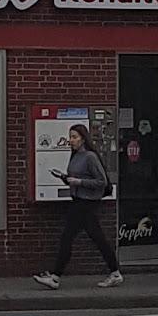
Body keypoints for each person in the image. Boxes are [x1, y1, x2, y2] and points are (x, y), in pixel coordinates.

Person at [34, 123, 123, 289]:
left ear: (83, 139)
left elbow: (101, 181)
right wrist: (65, 178)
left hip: (86, 203)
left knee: (67, 238)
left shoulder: (90, 157)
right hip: (78, 201)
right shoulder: (75, 156)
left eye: (74, 137)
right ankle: (115, 272)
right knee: (98, 239)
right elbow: (76, 177)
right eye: (70, 137)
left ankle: (55, 277)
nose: (71, 140)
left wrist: (79, 182)